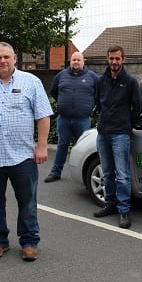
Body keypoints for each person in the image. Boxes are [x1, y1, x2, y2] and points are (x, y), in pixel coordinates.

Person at [0, 42, 53, 262]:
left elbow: (43, 116)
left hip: (22, 156)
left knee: (27, 202)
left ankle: (29, 241)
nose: (2, 61)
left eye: (6, 57)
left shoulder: (31, 82)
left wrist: (41, 146)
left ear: (14, 58)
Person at [93, 45, 142, 229]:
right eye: (111, 58)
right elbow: (98, 103)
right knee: (107, 172)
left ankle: (124, 210)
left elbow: (138, 108)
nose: (114, 62)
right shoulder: (101, 81)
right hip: (103, 133)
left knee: (122, 175)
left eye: (117, 59)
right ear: (107, 59)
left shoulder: (130, 81)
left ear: (123, 59)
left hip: (121, 134)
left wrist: (126, 124)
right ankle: (110, 203)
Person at [44, 51, 98, 183]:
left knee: (84, 148)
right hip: (64, 119)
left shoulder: (93, 77)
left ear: (83, 61)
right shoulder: (61, 76)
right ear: (70, 61)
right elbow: (54, 92)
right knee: (62, 145)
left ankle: (84, 176)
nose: (76, 62)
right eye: (74, 60)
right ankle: (55, 172)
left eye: (78, 60)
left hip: (83, 119)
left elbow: (99, 95)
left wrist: (89, 106)